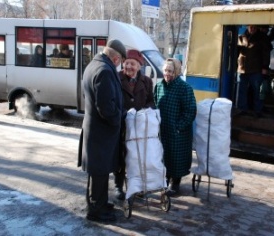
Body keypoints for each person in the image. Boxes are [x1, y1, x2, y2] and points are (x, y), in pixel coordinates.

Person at [77, 39, 126, 223]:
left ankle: (99, 203)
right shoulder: (104, 71)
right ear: (116, 58)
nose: (120, 65)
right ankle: (96, 211)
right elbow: (106, 107)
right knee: (99, 172)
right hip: (102, 132)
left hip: (96, 130)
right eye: (121, 61)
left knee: (99, 171)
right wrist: (118, 120)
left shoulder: (94, 64)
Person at [114, 49, 155, 200]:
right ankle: (118, 186)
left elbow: (151, 101)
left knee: (137, 156)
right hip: (121, 124)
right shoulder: (117, 78)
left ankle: (137, 186)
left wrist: (144, 112)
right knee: (120, 155)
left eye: (132, 64)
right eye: (127, 63)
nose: (129, 66)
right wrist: (125, 113)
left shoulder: (147, 81)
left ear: (139, 66)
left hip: (139, 126)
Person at [154, 58, 197, 197]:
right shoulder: (159, 86)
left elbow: (190, 111)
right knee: (164, 156)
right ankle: (165, 180)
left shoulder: (185, 88)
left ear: (177, 72)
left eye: (170, 71)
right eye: (165, 70)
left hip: (179, 132)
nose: (167, 74)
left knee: (176, 158)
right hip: (163, 130)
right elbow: (155, 104)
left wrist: (178, 127)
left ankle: (175, 183)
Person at [236, 25, 270, 117]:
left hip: (256, 69)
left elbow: (266, 53)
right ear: (247, 27)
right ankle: (243, 109)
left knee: (257, 91)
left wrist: (265, 67)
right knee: (242, 90)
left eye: (254, 27)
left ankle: (257, 111)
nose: (252, 28)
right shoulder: (242, 37)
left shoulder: (262, 37)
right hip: (243, 69)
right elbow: (237, 51)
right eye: (250, 26)